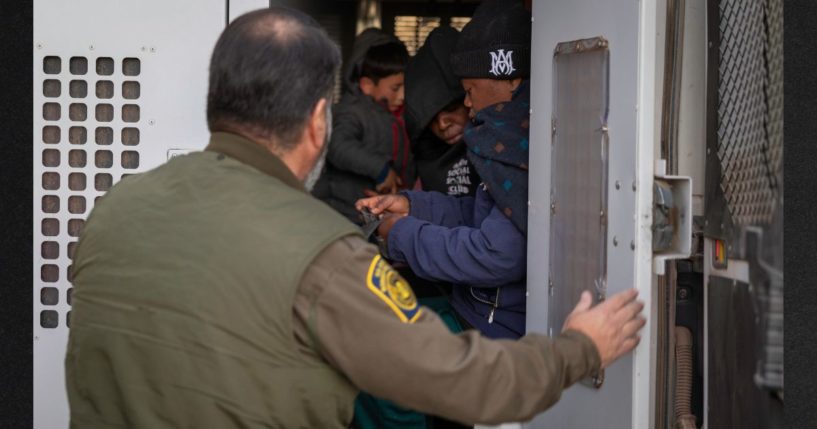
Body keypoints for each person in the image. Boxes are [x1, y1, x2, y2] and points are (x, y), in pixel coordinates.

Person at [64, 7, 645, 429]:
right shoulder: (323, 255)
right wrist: (580, 349)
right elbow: (462, 383)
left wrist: (414, 206)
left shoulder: (117, 208)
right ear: (321, 123)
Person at [356, 0, 533, 340]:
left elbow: (498, 254)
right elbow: (482, 215)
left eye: (468, 92)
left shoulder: (509, 147)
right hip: (471, 310)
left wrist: (401, 235)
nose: (467, 104)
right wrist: (413, 205)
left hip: (491, 331)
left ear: (510, 78)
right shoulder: (508, 140)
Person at [312, 27, 414, 224]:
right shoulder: (351, 111)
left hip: (378, 212)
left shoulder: (398, 116)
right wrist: (382, 170)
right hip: (346, 213)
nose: (402, 96)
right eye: (395, 88)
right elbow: (337, 145)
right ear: (367, 85)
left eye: (406, 86)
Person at [405, 26, 479, 198]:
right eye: (429, 118)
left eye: (451, 108)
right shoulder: (426, 160)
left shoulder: (496, 152)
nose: (442, 124)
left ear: (470, 98)